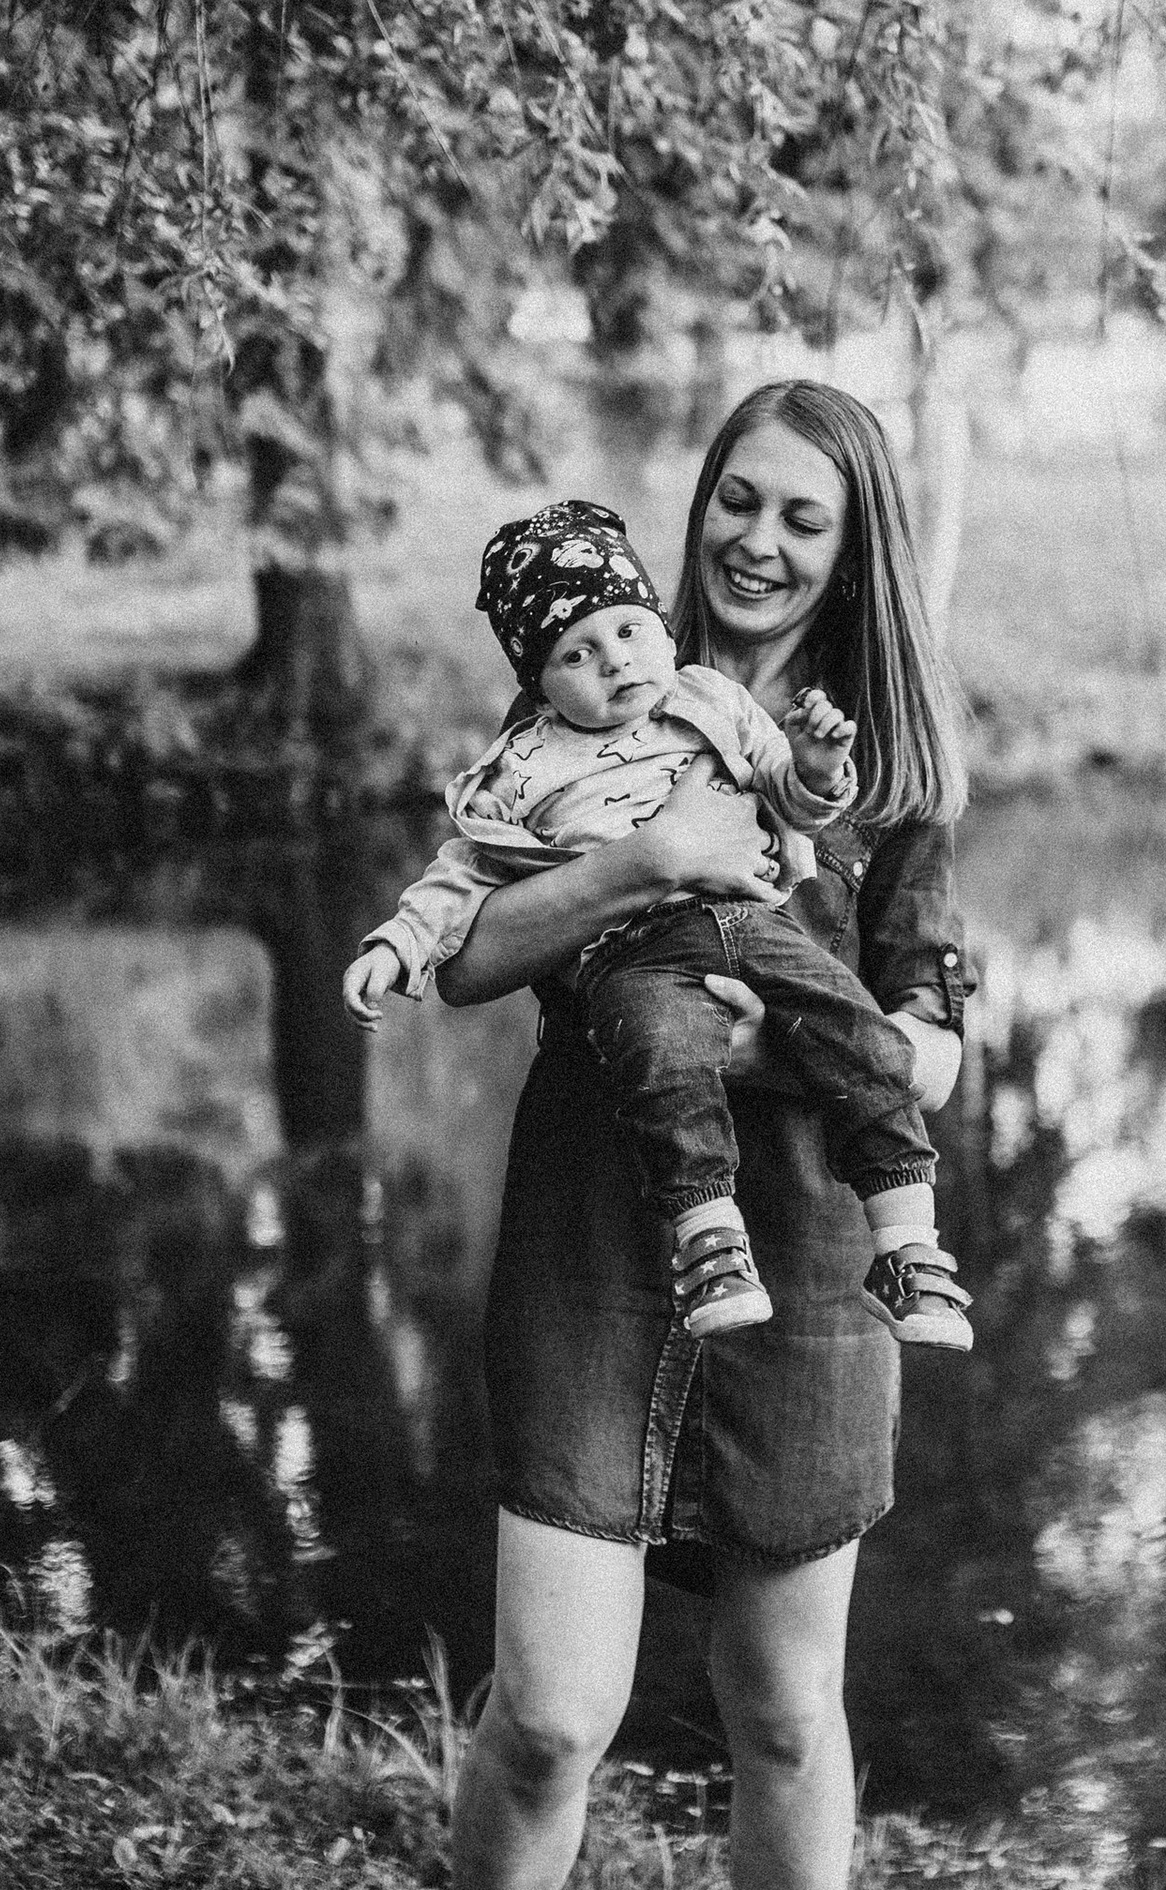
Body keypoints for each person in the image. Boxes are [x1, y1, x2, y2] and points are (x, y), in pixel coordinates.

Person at [365, 381, 970, 1890]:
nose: (758, 541)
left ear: (854, 543)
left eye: (802, 516)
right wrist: (638, 868)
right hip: (593, 1231)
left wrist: (770, 1027)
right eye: (736, 501)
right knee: (553, 1708)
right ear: (694, 511)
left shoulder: (893, 775)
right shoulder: (592, 688)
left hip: (802, 1244)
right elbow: (469, 950)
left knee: (786, 1713)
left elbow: (926, 1057)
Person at [345, 498, 971, 1349]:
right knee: (665, 1054)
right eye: (578, 651)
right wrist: (397, 945)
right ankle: (709, 1240)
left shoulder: (717, 703)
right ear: (540, 681)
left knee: (857, 1031)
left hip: (756, 934)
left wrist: (820, 767)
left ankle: (906, 1247)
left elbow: (790, 796)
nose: (615, 662)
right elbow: (460, 880)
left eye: (630, 631)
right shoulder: (526, 760)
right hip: (633, 962)